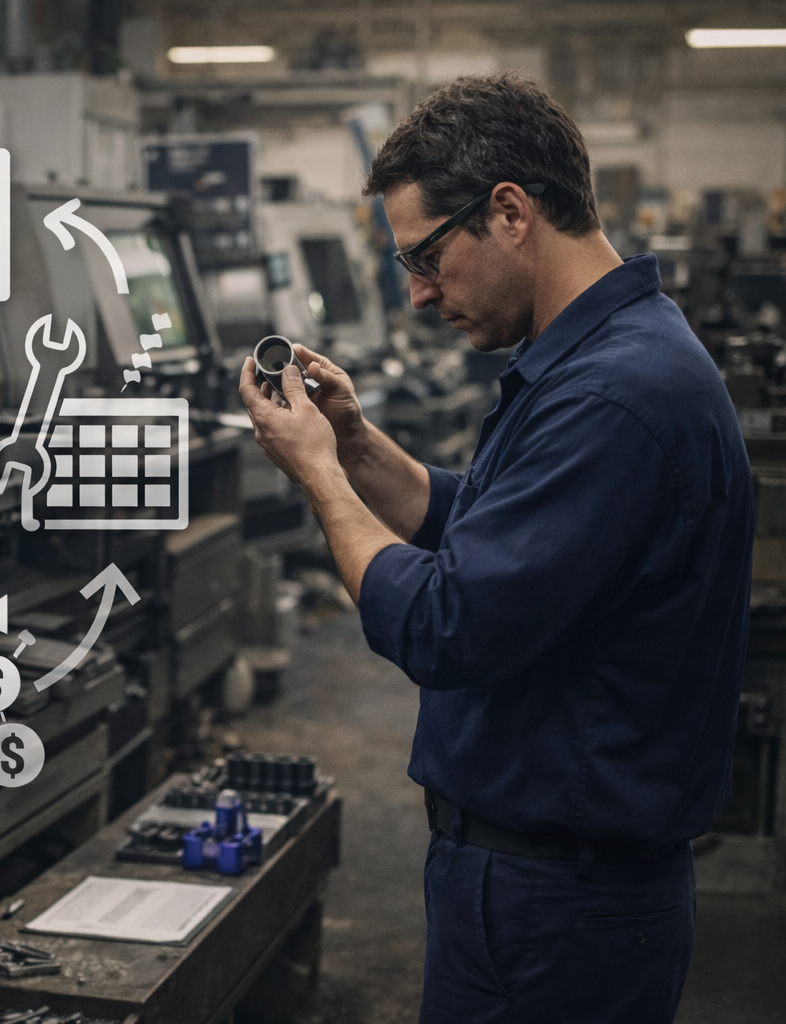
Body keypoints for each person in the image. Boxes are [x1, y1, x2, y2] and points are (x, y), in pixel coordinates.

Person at [239, 74, 750, 1022]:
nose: (422, 294)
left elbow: (446, 622)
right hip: (546, 887)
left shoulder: (612, 398)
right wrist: (354, 445)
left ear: (509, 212)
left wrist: (316, 477)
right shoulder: (611, 356)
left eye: (427, 257)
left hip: (556, 912)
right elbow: (501, 526)